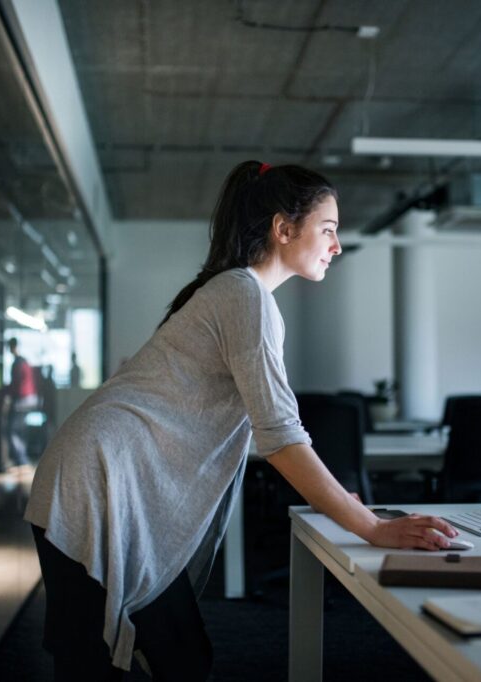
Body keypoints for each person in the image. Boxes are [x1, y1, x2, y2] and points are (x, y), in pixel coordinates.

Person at [24, 161, 457, 680]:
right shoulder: (244, 295)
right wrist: (368, 526)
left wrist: (338, 500)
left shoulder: (240, 294)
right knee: (101, 664)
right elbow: (280, 436)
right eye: (329, 229)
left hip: (106, 482)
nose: (336, 246)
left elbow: (268, 429)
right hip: (94, 485)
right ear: (283, 229)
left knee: (181, 654)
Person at [3, 337, 39, 470]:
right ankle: (22, 458)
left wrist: (5, 395)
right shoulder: (25, 361)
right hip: (30, 399)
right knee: (21, 429)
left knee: (12, 430)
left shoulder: (16, 363)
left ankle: (21, 459)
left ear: (12, 347)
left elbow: (15, 385)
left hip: (21, 400)